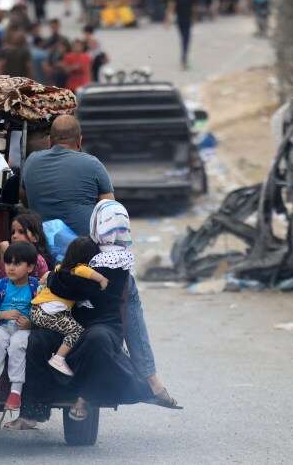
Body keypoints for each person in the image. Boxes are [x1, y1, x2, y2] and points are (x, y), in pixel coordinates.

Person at [22, 115, 180, 410]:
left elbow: (24, 198)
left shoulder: (31, 163)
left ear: (49, 141)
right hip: (87, 261)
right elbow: (110, 212)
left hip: (45, 258)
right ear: (79, 141)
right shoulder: (93, 164)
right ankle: (152, 380)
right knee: (128, 296)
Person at [12, 200, 154, 429]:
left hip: (103, 325)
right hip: (70, 321)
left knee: (96, 339)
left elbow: (76, 287)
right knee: (38, 339)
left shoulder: (118, 262)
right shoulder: (85, 246)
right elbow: (66, 277)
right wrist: (58, 278)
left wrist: (56, 278)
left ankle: (85, 397)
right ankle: (33, 410)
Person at [30, 236, 109, 376]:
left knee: (67, 324)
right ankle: (59, 358)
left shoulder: (60, 268)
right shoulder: (79, 269)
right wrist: (102, 279)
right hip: (47, 314)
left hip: (39, 309)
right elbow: (87, 271)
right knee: (77, 331)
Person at [0, 241, 37, 413]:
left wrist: (30, 323)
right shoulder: (2, 285)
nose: (11, 267)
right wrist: (2, 315)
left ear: (30, 267)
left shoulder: (35, 287)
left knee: (18, 346)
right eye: (8, 263)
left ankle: (15, 391)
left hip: (24, 330)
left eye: (17, 263)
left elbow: (41, 313)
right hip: (4, 326)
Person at [0, 212, 53, 279]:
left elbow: (43, 284)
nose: (14, 236)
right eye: (13, 232)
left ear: (35, 237)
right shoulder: (6, 252)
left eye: (21, 232)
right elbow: (1, 281)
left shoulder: (38, 260)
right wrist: (3, 255)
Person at [165, 0, 196, 70]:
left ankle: (184, 59)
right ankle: (184, 58)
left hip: (179, 20)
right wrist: (194, 18)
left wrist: (168, 21)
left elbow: (171, 8)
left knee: (183, 38)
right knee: (186, 40)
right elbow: (193, 8)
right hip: (188, 19)